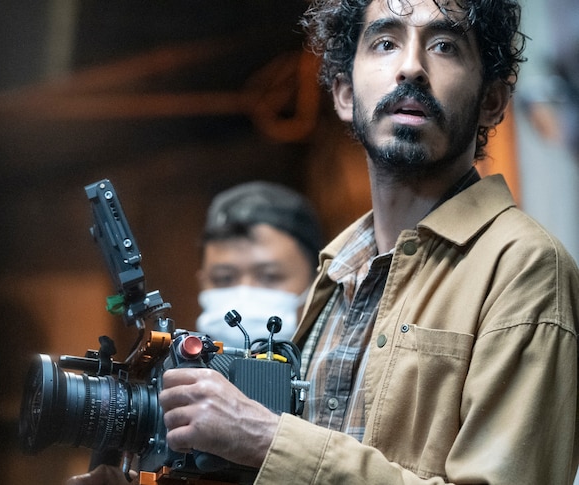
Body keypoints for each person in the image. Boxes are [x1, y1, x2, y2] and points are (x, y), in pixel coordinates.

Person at [67, 1, 579, 484]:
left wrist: (268, 441)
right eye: (384, 42)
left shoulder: (524, 267)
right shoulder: (337, 275)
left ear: (492, 101)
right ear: (344, 95)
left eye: (444, 45)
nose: (411, 68)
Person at [194, 181, 323, 347]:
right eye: (224, 278)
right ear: (202, 283)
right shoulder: (176, 369)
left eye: (270, 276)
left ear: (317, 282)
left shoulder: (343, 368)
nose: (245, 292)